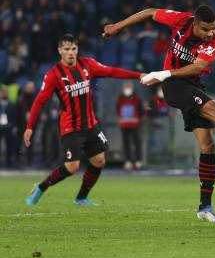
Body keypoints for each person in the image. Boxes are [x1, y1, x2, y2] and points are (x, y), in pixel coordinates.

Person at [102, 4, 215, 223]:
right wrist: (117, 26)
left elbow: (198, 67)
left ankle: (205, 207)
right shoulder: (180, 20)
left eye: (213, 28)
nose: (210, 34)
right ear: (194, 24)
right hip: (174, 85)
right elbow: (150, 12)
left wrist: (162, 72)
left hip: (191, 83)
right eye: (205, 30)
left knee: (208, 144)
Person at [24, 34, 143, 206]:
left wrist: (137, 75)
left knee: (99, 160)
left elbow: (111, 71)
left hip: (90, 124)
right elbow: (40, 100)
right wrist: (30, 127)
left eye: (73, 48)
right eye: (66, 49)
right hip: (71, 127)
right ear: (60, 51)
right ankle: (41, 188)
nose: (71, 52)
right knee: (72, 167)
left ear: (77, 49)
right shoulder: (53, 75)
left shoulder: (88, 64)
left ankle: (81, 198)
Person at [117, 81, 145, 170]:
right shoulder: (120, 98)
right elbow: (118, 110)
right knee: (126, 144)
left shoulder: (137, 98)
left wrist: (139, 120)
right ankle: (128, 161)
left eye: (128, 86)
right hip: (124, 125)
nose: (127, 89)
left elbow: (141, 111)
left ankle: (138, 161)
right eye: (126, 87)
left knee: (137, 143)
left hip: (135, 125)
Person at [17, 82, 37, 166]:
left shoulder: (36, 98)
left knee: (30, 145)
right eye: (28, 87)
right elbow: (17, 111)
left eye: (31, 87)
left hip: (32, 126)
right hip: (21, 124)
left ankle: (29, 161)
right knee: (18, 143)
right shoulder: (21, 98)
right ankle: (18, 161)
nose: (30, 89)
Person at [0, 86, 18, 167]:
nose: (4, 94)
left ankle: (9, 162)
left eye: (5, 92)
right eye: (2, 92)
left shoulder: (11, 104)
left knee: (9, 145)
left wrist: (12, 125)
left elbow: (14, 116)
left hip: (8, 127)